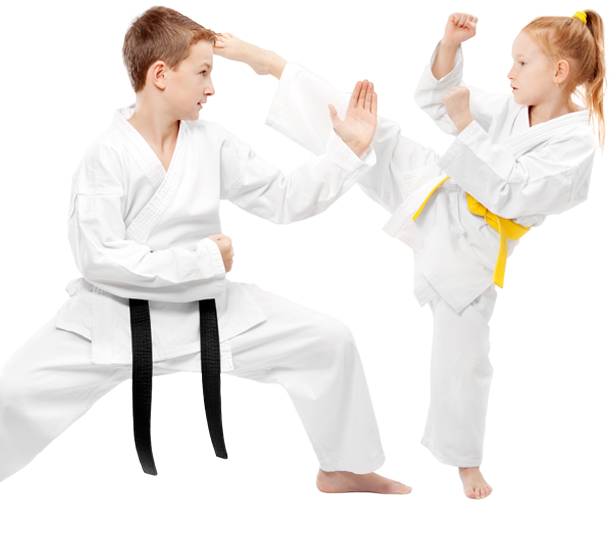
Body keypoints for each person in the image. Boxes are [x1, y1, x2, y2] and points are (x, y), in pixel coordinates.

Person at [0, 5, 415, 542]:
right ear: (161, 75)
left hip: (206, 312)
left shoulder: (210, 141)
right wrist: (204, 259)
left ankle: (343, 468)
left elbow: (282, 198)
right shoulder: (105, 156)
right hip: (114, 318)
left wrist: (346, 151)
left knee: (329, 339)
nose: (213, 87)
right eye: (204, 72)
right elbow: (99, 259)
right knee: (1, 394)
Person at [214, 6, 609, 501]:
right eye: (511, 60)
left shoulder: (578, 144)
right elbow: (438, 100)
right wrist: (450, 47)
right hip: (436, 187)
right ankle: (274, 66)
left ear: (559, 72)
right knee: (373, 131)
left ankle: (466, 461)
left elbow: (513, 192)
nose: (509, 72)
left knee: (464, 356)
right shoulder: (516, 104)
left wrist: (467, 127)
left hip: (473, 246)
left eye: (521, 63)